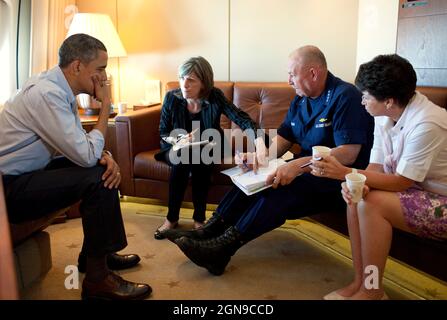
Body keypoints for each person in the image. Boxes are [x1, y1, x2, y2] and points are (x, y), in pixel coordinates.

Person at [164, 45, 375, 276]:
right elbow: (284, 138)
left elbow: (349, 152)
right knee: (252, 176)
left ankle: (222, 249)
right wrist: (259, 157)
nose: (288, 81)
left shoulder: (345, 96)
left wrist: (295, 165)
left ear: (313, 73)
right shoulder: (301, 99)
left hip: (333, 177)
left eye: (292, 74)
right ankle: (209, 230)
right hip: (306, 168)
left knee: (276, 188)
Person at [0, 34, 151, 300]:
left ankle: (95, 254)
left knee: (100, 165)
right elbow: (83, 155)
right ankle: (97, 280)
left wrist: (105, 154)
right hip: (8, 188)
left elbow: (75, 144)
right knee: (97, 175)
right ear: (78, 66)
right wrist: (106, 105)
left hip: (27, 173)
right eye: (101, 70)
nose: (105, 78)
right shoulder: (48, 94)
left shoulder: (58, 88)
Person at [310, 54, 447, 300]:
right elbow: (376, 165)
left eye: (366, 96)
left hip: (440, 198)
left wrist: (344, 173)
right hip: (416, 189)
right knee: (356, 195)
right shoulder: (385, 115)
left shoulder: (428, 122)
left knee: (371, 204)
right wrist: (357, 183)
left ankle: (372, 290)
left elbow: (402, 181)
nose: (361, 100)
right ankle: (361, 281)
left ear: (389, 101)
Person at [154, 56, 266, 239]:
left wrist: (259, 140)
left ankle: (198, 219)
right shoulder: (171, 98)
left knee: (200, 156)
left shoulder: (214, 96)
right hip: (176, 147)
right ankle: (172, 218)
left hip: (209, 145)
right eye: (182, 78)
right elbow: (163, 131)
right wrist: (179, 140)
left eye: (191, 80)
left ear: (204, 83)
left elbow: (241, 118)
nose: (184, 84)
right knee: (184, 156)